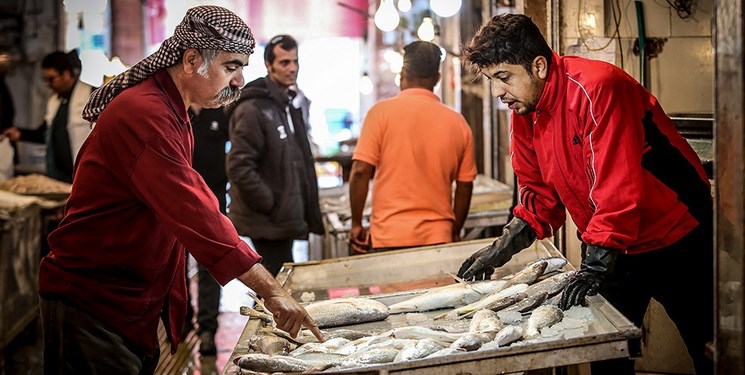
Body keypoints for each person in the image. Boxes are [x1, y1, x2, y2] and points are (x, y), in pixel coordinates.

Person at [37, 6, 323, 375]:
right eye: (231, 67)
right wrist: (271, 290)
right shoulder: (145, 113)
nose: (239, 81)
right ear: (191, 60)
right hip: (92, 300)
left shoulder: (175, 110)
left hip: (126, 298)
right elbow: (194, 211)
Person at [457, 14, 713, 375]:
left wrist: (594, 266)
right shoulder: (524, 112)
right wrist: (502, 248)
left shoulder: (597, 88)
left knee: (708, 347)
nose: (498, 93)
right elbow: (539, 194)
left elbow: (617, 187)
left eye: (504, 78)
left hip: (678, 235)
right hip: (618, 244)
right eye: (492, 81)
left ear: (539, 66)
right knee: (607, 354)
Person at [348, 41, 477, 253]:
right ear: (437, 78)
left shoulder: (379, 114)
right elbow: (465, 186)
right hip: (438, 237)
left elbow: (360, 171)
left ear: (402, 74)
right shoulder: (458, 123)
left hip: (388, 237)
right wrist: (455, 230)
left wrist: (356, 224)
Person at [226, 34, 324, 277]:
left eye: (295, 61)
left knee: (282, 285)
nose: (292, 68)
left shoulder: (287, 103)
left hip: (282, 219)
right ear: (269, 66)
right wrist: (272, 203)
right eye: (284, 63)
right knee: (276, 290)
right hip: (268, 221)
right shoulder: (254, 108)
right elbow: (239, 166)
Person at [2, 50, 94, 183]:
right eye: (45, 79)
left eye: (51, 78)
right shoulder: (54, 101)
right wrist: (20, 134)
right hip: (59, 177)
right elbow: (45, 134)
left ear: (67, 75)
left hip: (85, 175)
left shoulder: (93, 96)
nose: (48, 84)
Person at [182, 104, 229, 356]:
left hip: (213, 201)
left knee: (209, 266)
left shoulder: (220, 112)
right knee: (177, 266)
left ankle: (208, 330)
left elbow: (238, 147)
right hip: (177, 200)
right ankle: (183, 319)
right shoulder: (177, 110)